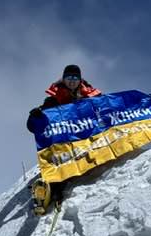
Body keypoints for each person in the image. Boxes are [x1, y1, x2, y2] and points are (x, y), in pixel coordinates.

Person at [26, 65, 102, 214]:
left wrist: (142, 103)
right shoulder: (53, 100)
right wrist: (35, 117)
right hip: (66, 143)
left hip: (88, 139)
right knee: (60, 163)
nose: (72, 81)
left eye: (75, 78)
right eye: (69, 78)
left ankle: (51, 190)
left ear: (80, 80)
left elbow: (110, 109)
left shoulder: (91, 96)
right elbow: (33, 126)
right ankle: (46, 192)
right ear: (64, 79)